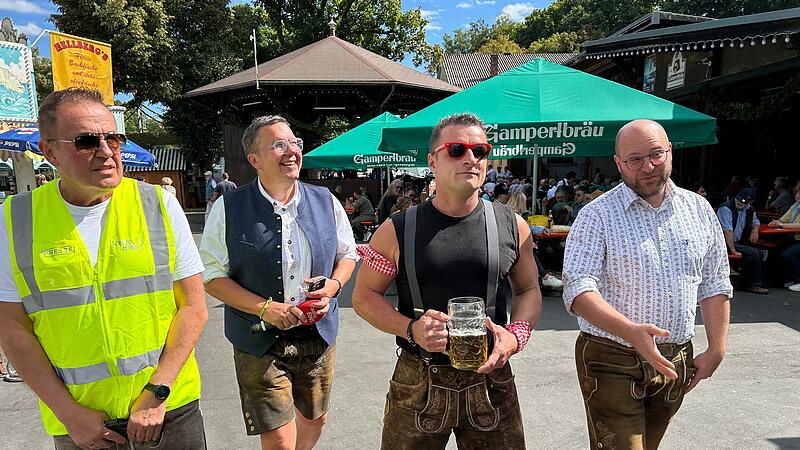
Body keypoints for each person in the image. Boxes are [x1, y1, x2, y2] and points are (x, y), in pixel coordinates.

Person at [0, 88, 208, 448]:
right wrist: (69, 414)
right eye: (86, 141)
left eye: (113, 138)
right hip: (80, 420)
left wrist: (157, 391)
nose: (107, 151)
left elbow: (193, 307)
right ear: (49, 151)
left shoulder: (158, 204)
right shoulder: (14, 221)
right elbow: (12, 329)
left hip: (168, 408)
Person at [352, 113, 541, 449]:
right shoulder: (397, 229)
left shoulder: (513, 225)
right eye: (456, 149)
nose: (470, 158)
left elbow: (528, 289)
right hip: (419, 381)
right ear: (432, 160)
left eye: (480, 151)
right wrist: (411, 329)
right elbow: (364, 296)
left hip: (490, 380)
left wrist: (516, 336)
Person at [563, 119, 732, 450]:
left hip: (676, 359)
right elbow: (578, 289)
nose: (648, 166)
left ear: (669, 150)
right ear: (618, 163)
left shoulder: (698, 209)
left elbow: (715, 282)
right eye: (635, 159)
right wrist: (631, 331)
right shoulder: (597, 214)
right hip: (612, 355)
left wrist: (717, 347)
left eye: (656, 154)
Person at [200, 115, 357, 450]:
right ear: (254, 159)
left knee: (315, 420)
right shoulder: (229, 207)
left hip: (317, 332)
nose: (291, 151)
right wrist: (266, 309)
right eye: (278, 145)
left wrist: (334, 286)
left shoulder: (325, 200)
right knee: (279, 440)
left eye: (294, 143)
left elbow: (348, 254)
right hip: (258, 339)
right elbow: (212, 276)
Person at [717, 188, 769, 294]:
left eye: (744, 202)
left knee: (759, 252)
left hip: (740, 241)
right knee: (753, 253)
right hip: (725, 243)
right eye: (739, 200)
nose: (740, 203)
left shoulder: (750, 209)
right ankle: (753, 285)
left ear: (750, 202)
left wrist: (755, 230)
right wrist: (733, 250)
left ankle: (745, 281)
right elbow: (728, 231)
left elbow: (756, 221)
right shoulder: (726, 208)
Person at [768, 188, 800, 291]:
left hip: (797, 239)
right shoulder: (795, 206)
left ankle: (798, 280)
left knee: (788, 254)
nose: (797, 196)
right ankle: (787, 278)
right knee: (776, 250)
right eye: (797, 193)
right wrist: (776, 222)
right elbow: (783, 219)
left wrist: (781, 225)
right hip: (794, 238)